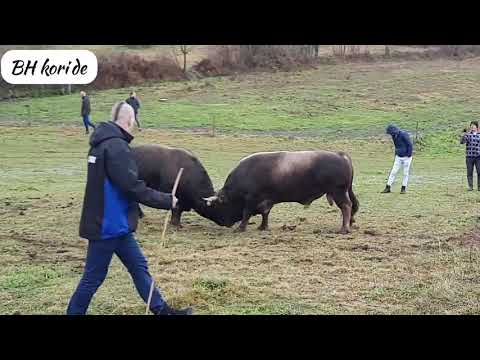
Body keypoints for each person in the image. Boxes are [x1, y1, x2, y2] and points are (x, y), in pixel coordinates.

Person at [67, 101, 192, 315]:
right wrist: (166, 200)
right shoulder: (116, 147)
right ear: (129, 120)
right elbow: (133, 187)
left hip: (116, 224)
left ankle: (162, 311)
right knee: (93, 277)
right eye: (133, 119)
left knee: (139, 267)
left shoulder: (101, 143)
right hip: (108, 226)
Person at [381, 124, 414, 194]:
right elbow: (397, 145)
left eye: (390, 133)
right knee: (393, 172)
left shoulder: (404, 134)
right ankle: (387, 187)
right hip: (398, 157)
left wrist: (408, 154)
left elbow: (410, 144)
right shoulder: (394, 136)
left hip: (407, 157)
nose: (390, 134)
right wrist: (397, 152)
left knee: (405, 173)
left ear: (394, 131)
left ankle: (403, 188)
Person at [460, 121, 480, 191]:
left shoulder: (479, 135)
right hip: (469, 157)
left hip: (478, 157)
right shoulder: (468, 135)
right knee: (469, 172)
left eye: (474, 126)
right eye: (471, 126)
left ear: (477, 127)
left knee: (479, 172)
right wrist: (463, 134)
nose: (472, 127)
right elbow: (462, 142)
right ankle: (470, 187)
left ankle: (479, 187)